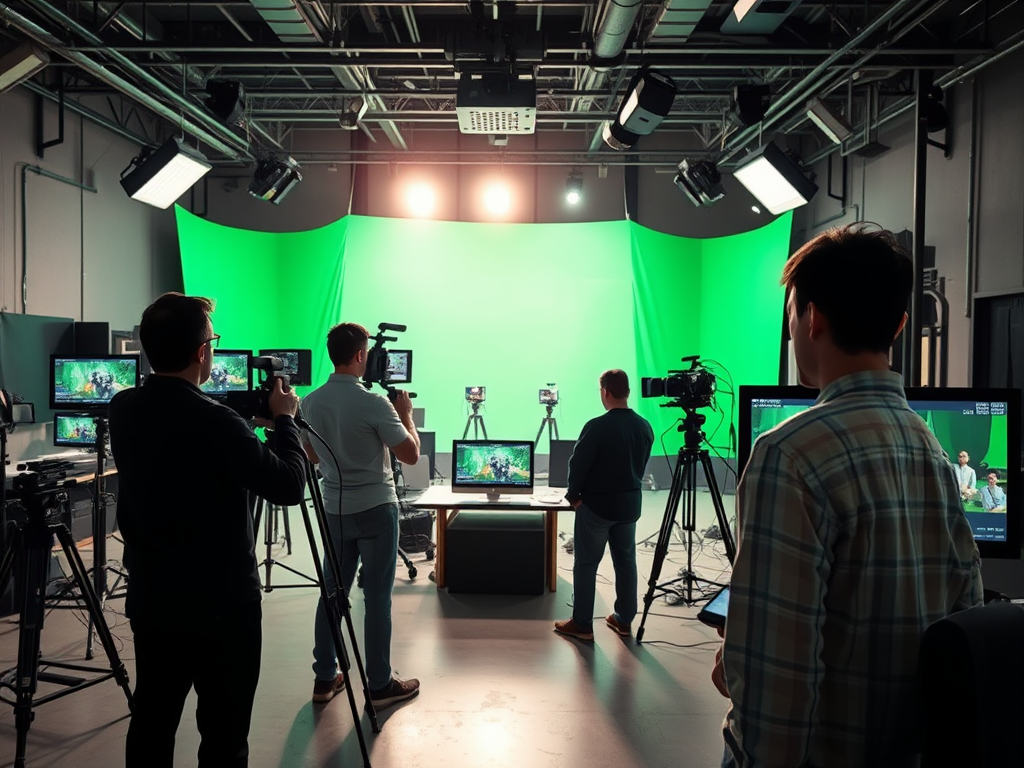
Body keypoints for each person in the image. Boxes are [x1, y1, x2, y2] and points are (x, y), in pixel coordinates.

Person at [715, 225, 983, 768]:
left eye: (791, 317)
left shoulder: (788, 452)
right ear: (900, 324)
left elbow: (777, 677)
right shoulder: (926, 442)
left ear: (811, 318)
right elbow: (966, 605)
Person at [109, 293, 307, 768]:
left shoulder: (123, 408)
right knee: (223, 735)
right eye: (213, 340)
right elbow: (288, 485)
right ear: (203, 352)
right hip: (221, 608)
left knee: (152, 721)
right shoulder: (217, 421)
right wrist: (285, 420)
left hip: (154, 600)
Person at [302, 323, 421, 708]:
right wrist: (407, 416)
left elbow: (313, 457)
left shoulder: (311, 402)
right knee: (377, 598)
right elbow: (409, 455)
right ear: (358, 356)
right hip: (375, 510)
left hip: (335, 509)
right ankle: (380, 683)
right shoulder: (375, 403)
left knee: (331, 593)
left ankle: (324, 678)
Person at [554, 369, 654, 641]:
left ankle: (583, 624)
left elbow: (578, 465)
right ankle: (623, 619)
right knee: (626, 561)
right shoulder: (644, 426)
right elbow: (641, 465)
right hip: (629, 507)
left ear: (605, 392)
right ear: (628, 392)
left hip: (596, 508)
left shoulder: (596, 426)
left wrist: (574, 496)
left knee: (586, 564)